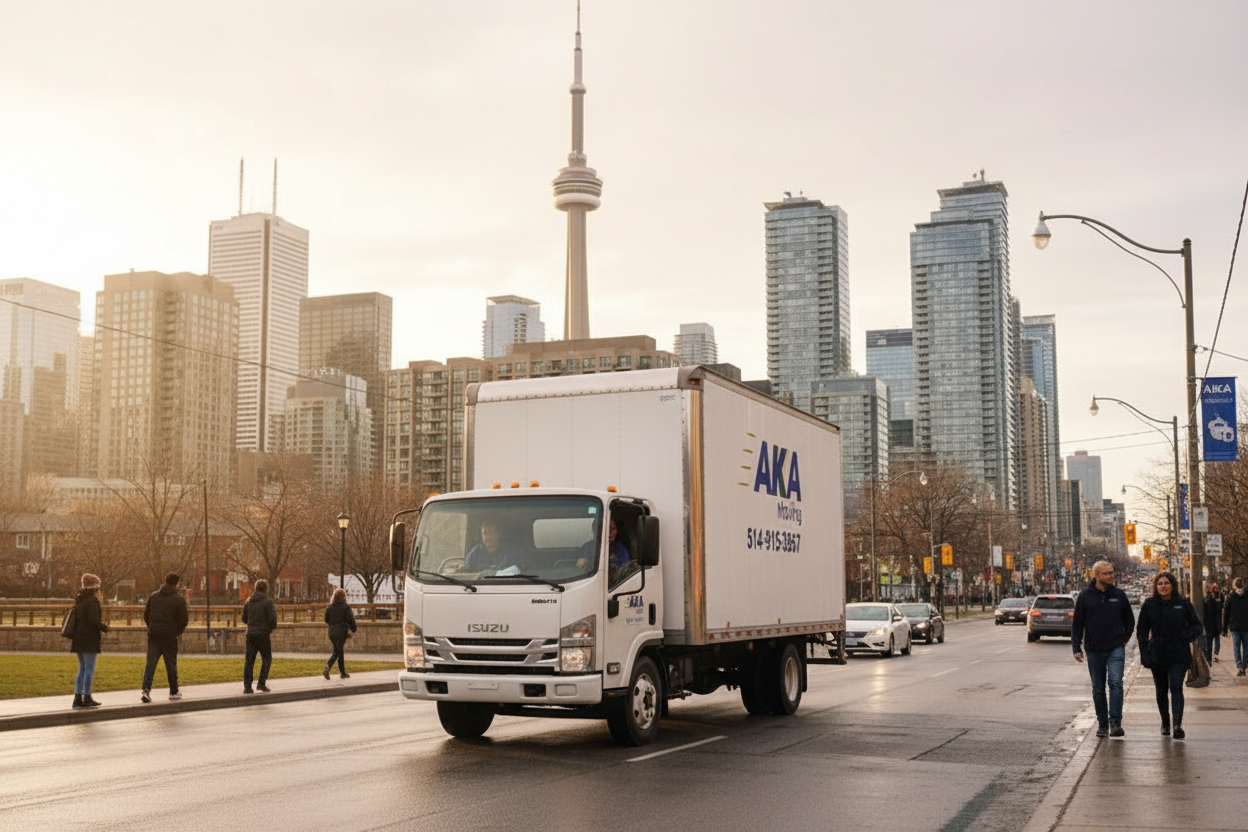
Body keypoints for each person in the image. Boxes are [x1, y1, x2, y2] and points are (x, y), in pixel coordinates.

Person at [1071, 560, 1135, 738]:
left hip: (1115, 648)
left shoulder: (1119, 595)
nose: (1111, 576)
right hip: (1094, 649)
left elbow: (1129, 621)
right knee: (1098, 688)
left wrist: (1123, 640)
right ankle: (1102, 723)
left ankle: (1115, 723)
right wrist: (1076, 647)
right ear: (1097, 575)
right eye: (1107, 573)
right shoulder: (1085, 596)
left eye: (1112, 572)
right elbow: (1077, 624)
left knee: (1116, 684)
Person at [1136, 571, 1202, 739]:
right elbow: (1142, 631)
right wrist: (1145, 652)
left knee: (1176, 688)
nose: (1163, 586)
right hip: (1157, 653)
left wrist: (1185, 636)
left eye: (1166, 583)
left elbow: (1197, 626)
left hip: (1178, 653)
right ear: (1156, 586)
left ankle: (1177, 725)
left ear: (1172, 585)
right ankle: (1165, 722)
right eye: (1160, 584)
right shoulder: (1149, 605)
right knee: (1161, 690)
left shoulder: (1183, 603)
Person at [140, 572, 189, 703]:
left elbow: (146, 615)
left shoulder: (154, 596)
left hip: (154, 635)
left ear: (165, 581)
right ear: (176, 583)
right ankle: (173, 691)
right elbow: (184, 619)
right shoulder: (179, 599)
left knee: (150, 664)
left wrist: (152, 627)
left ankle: (146, 690)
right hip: (170, 636)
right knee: (171, 664)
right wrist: (177, 631)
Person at [70, 573, 109, 709]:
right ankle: (87, 696)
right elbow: (93, 621)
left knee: (82, 668)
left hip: (78, 637)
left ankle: (77, 697)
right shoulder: (92, 601)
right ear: (95, 587)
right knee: (89, 668)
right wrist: (104, 627)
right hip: (89, 638)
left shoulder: (79, 599)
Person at [242, 578, 278, 694]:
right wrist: (269, 629)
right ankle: (261, 683)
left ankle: (247, 686)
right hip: (263, 634)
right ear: (265, 589)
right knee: (267, 658)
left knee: (249, 660)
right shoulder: (268, 601)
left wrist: (252, 624)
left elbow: (244, 618)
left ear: (255, 588)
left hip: (251, 634)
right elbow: (273, 619)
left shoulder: (249, 601)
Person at [323, 587, 358, 680]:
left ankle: (343, 672)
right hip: (341, 632)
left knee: (339, 650)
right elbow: (350, 619)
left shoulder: (330, 607)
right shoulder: (345, 607)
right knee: (337, 652)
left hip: (332, 632)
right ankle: (328, 666)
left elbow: (326, 620)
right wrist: (353, 629)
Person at [1224, 576, 1248, 677]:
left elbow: (1226, 613)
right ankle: (1245, 666)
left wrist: (1224, 628)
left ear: (1234, 585)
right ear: (1243, 585)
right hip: (1246, 627)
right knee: (1247, 647)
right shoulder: (1247, 595)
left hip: (1235, 627)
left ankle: (1239, 665)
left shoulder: (1231, 597)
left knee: (1236, 647)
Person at [1203, 583, 1224, 664]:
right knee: (1211, 642)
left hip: (1211, 624)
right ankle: (1212, 656)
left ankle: (1211, 657)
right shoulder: (1215, 601)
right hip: (1213, 624)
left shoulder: (1208, 601)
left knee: (1210, 642)